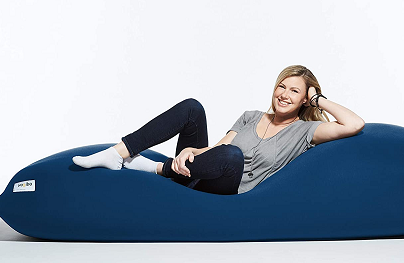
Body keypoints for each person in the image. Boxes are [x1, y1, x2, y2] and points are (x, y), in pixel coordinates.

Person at [72, 65, 365, 195]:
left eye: (295, 91)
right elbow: (218, 147)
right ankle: (118, 152)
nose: (284, 94)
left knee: (233, 158)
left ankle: (155, 170)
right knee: (192, 108)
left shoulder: (306, 131)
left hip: (228, 187)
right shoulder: (251, 116)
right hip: (203, 170)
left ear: (304, 99)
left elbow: (354, 124)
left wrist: (318, 99)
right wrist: (191, 151)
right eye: (281, 86)